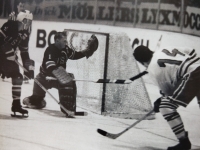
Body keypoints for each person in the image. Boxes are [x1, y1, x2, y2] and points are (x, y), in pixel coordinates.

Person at [133, 45, 200, 150]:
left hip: (194, 75)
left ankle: (184, 143)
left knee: (166, 107)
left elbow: (168, 93)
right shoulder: (163, 50)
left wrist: (160, 102)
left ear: (143, 63)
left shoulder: (154, 69)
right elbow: (191, 51)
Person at [23, 31, 98, 116]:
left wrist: (86, 52)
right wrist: (63, 75)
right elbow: (50, 66)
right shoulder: (50, 49)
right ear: (57, 40)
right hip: (44, 78)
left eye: (66, 41)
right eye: (64, 41)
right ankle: (30, 99)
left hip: (56, 79)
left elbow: (75, 55)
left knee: (70, 82)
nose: (66, 43)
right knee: (37, 102)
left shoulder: (65, 49)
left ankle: (69, 107)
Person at [0, 10, 35, 117]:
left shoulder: (25, 34)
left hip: (8, 59)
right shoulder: (10, 25)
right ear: (22, 20)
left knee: (18, 77)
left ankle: (16, 105)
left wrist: (28, 68)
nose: (29, 24)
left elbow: (24, 52)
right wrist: (7, 51)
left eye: (30, 22)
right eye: (27, 21)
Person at [8, 0, 31, 84]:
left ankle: (27, 75)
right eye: (20, 6)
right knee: (10, 53)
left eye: (23, 6)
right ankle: (5, 72)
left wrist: (25, 36)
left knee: (25, 54)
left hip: (24, 36)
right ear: (17, 6)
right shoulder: (13, 15)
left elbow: (29, 28)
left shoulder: (27, 15)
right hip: (14, 37)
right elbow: (9, 27)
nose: (22, 8)